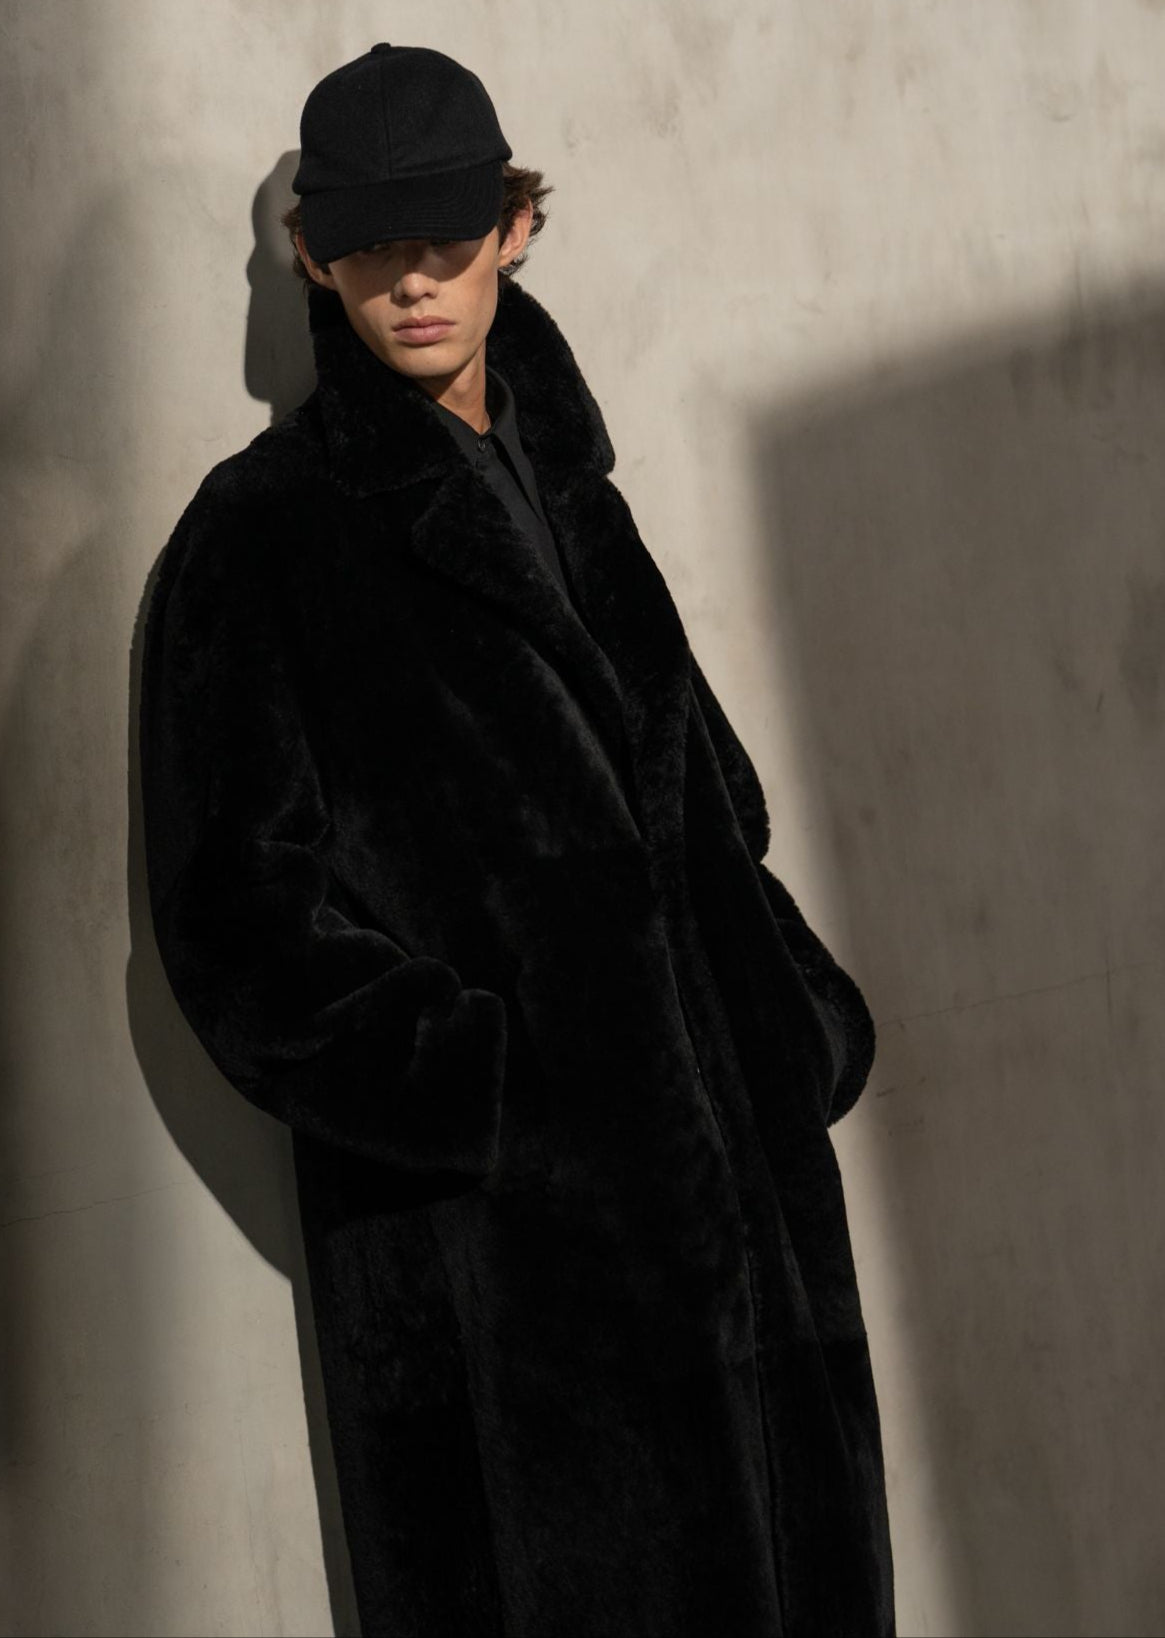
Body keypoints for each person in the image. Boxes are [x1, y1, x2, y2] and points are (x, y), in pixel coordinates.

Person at [139, 41, 896, 1638]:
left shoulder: (583, 503)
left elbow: (715, 809)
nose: (411, 282)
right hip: (515, 1295)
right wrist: (501, 1093)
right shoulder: (261, 534)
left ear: (516, 227)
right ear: (310, 256)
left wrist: (798, 1028)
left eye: (445, 238)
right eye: (368, 247)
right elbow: (235, 926)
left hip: (758, 1251)